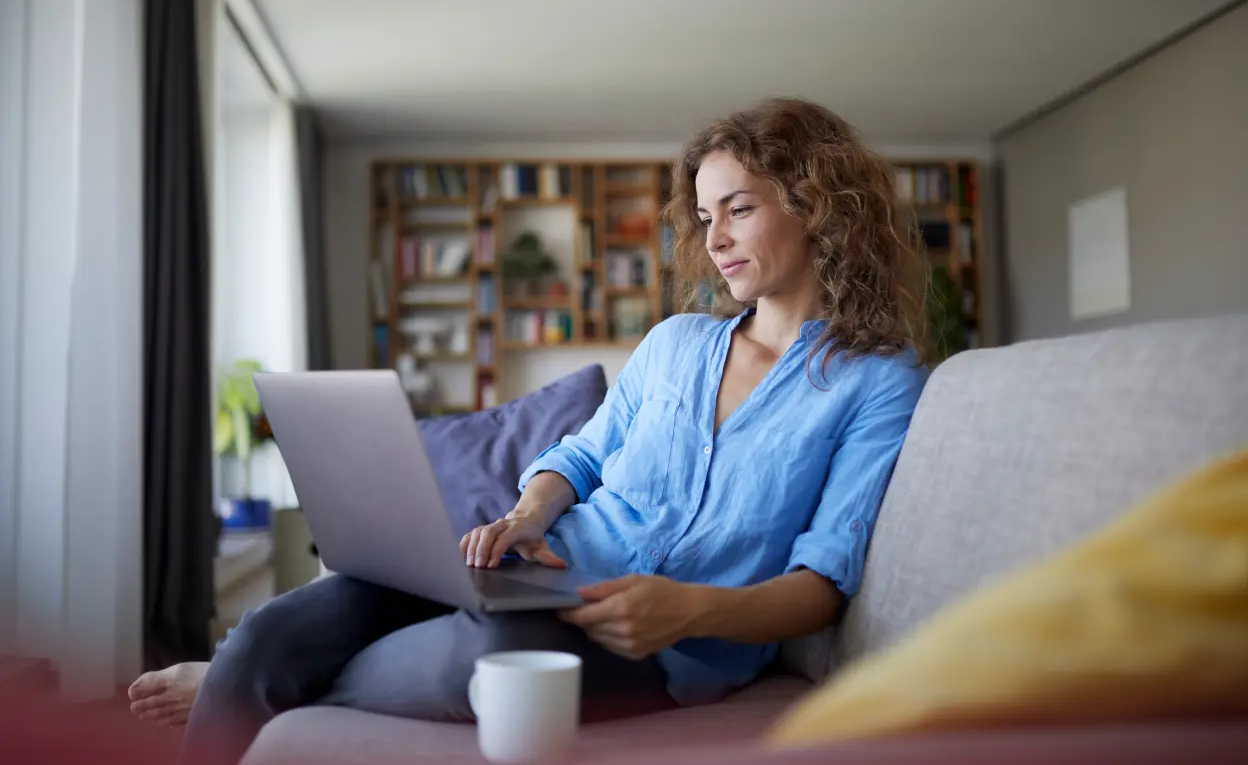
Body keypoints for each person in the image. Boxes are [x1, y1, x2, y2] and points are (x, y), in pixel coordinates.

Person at [129, 97, 931, 764]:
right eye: (703, 214)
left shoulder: (878, 379)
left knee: (479, 662)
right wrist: (526, 516)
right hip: (541, 572)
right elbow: (580, 457)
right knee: (285, 618)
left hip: (661, 652)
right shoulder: (676, 343)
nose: (713, 237)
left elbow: (823, 585)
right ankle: (254, 664)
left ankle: (246, 678)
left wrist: (690, 610)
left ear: (818, 205)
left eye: (740, 209)